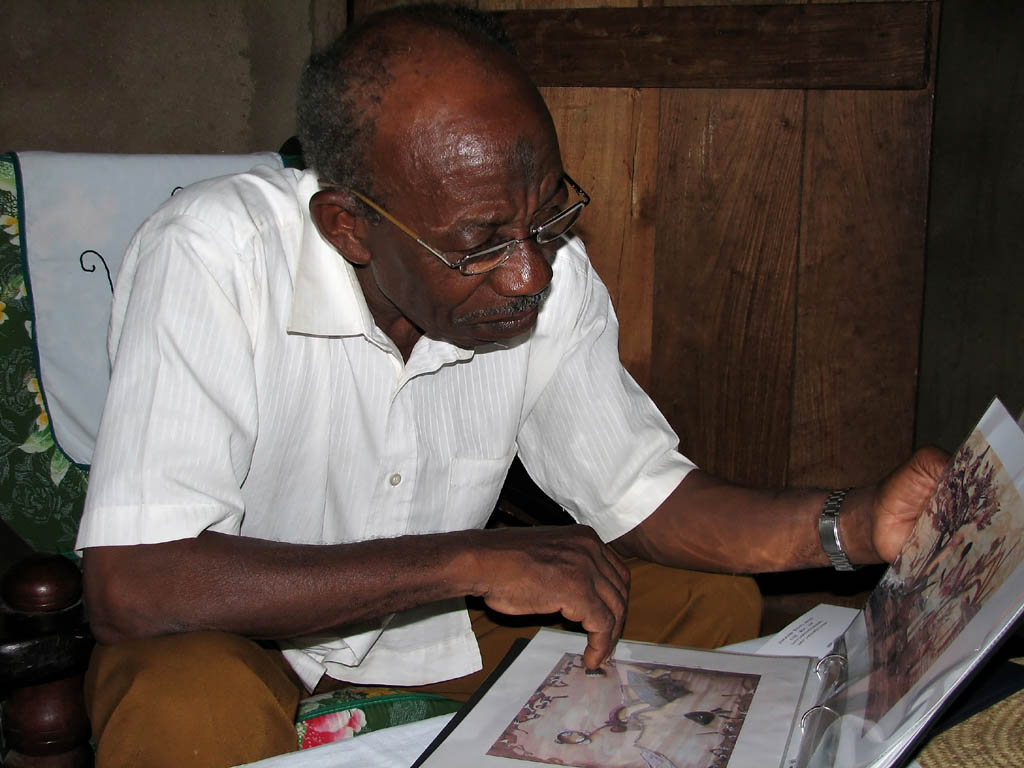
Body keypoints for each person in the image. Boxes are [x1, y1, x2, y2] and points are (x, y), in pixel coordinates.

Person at [76, 4, 948, 767]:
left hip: (434, 635)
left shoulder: (547, 276)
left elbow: (648, 498)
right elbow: (135, 586)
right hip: (237, 639)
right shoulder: (212, 253)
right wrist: (465, 560)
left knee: (711, 607)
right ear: (349, 228)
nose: (529, 274)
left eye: (547, 216)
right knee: (180, 703)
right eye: (479, 242)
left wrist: (856, 524)